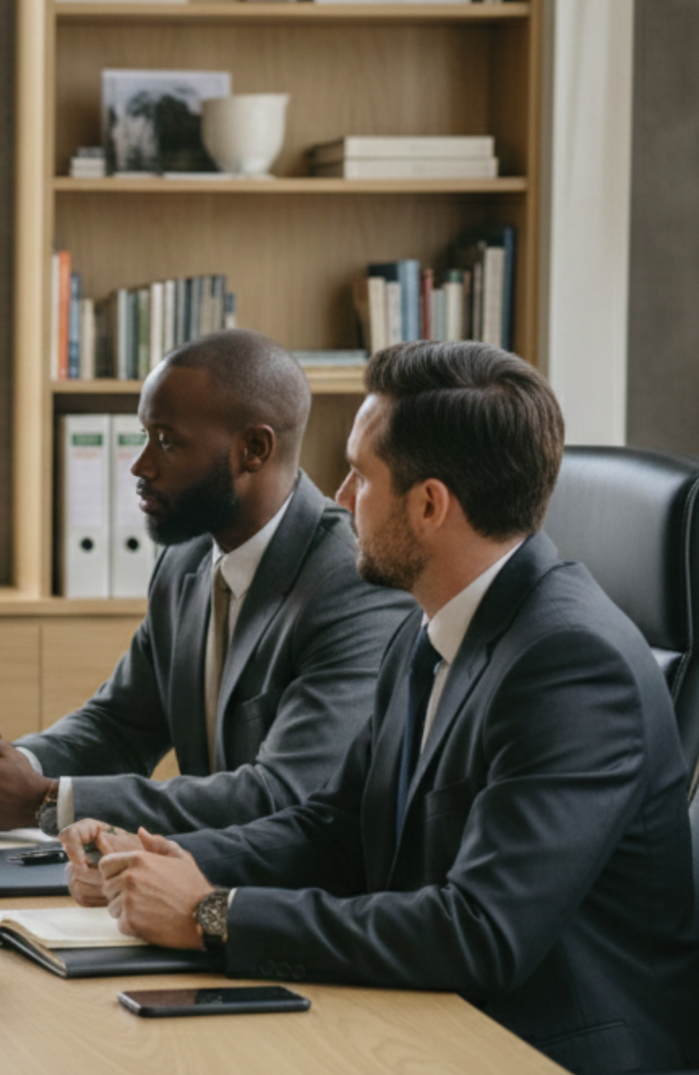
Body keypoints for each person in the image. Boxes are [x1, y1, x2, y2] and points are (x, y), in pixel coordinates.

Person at [65, 341, 699, 1075]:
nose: (337, 499)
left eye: (361, 476)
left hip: (541, 1048)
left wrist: (214, 913)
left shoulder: (572, 665)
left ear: (429, 505)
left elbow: (479, 929)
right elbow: (334, 830)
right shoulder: (424, 631)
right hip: (428, 1019)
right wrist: (150, 861)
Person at [0, 330, 414, 834]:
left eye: (166, 442)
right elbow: (120, 725)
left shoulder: (351, 583)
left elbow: (284, 794)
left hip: (294, 900)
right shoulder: (186, 559)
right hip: (197, 877)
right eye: (144, 436)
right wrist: (13, 763)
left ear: (254, 448)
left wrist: (46, 801)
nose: (140, 466)